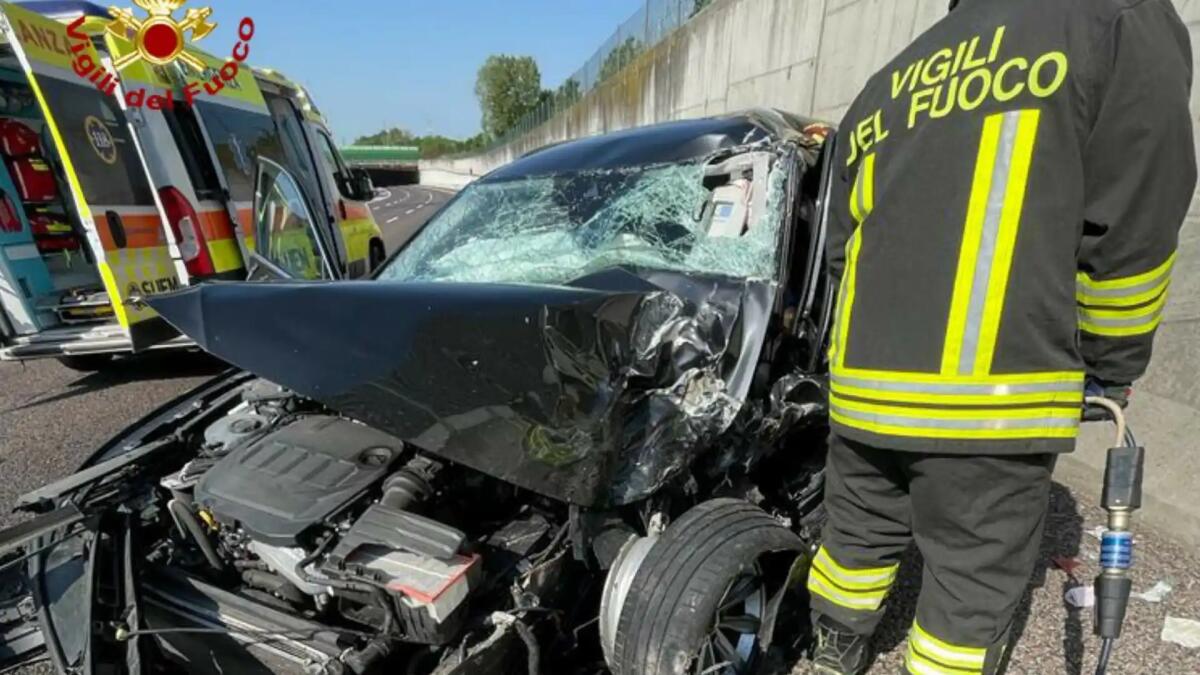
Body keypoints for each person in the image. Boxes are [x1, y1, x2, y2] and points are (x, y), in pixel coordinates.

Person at [807, 0, 1195, 673]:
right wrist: (1109, 363)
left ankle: (833, 649)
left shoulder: (888, 81)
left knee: (855, 538)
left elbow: (841, 249)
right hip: (990, 399)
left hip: (864, 390)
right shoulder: (1115, 20)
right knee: (969, 583)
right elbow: (1136, 225)